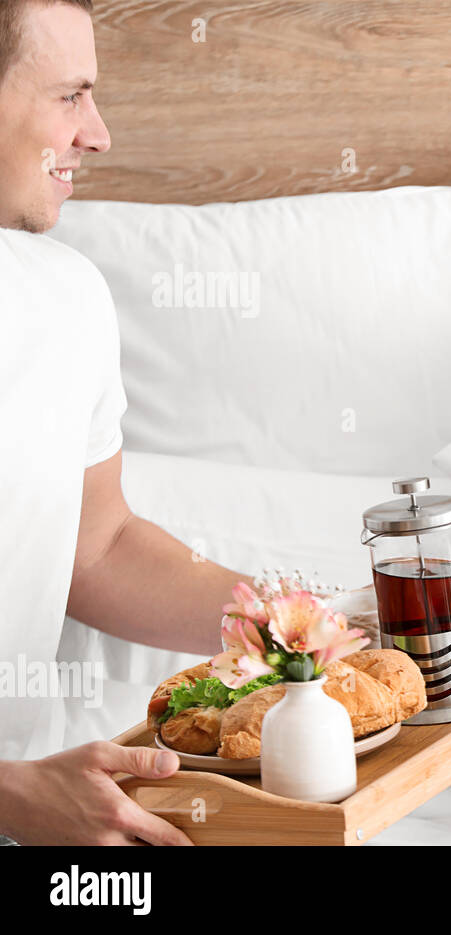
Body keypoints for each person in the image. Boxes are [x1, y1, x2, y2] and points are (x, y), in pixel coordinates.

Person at [0, 0, 252, 845]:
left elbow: (96, 544)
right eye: (69, 96)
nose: (99, 135)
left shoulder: (65, 298)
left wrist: (284, 620)